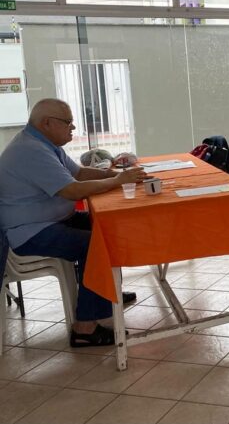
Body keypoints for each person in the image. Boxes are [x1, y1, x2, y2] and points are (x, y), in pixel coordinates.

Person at [0, 99, 146, 347]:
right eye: (68, 122)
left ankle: (105, 291)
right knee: (94, 244)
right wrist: (117, 181)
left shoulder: (44, 144)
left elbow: (78, 173)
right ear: (47, 123)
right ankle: (85, 329)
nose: (73, 128)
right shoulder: (31, 150)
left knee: (107, 227)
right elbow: (72, 190)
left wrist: (116, 175)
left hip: (51, 221)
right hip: (29, 232)